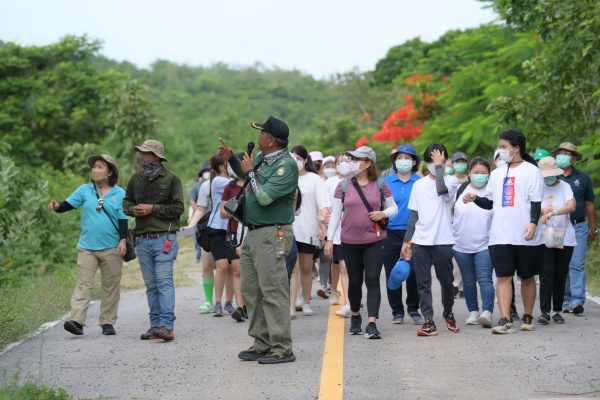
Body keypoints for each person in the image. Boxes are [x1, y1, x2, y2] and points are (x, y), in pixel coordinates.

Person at [218, 115, 298, 364]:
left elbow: (263, 197)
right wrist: (233, 159)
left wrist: (251, 171)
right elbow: (248, 177)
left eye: (262, 133)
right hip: (254, 232)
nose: (258, 136)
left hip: (273, 233)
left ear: (271, 140)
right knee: (251, 290)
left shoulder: (287, 165)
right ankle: (262, 343)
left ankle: (282, 347)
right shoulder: (263, 158)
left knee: (273, 291)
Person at [463, 129, 545, 334]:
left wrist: (533, 223)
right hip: (500, 235)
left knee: (527, 277)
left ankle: (527, 316)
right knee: (503, 277)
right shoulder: (496, 173)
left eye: (504, 147)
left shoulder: (531, 170)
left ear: (516, 148)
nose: (501, 151)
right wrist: (475, 198)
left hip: (526, 234)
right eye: (500, 147)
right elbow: (489, 202)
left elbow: (536, 201)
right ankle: (506, 319)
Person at [49, 154, 127, 336]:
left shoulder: (120, 193)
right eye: (94, 166)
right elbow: (67, 205)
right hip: (87, 247)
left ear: (110, 172)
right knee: (84, 284)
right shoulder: (85, 190)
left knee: (110, 286)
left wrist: (123, 240)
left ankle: (107, 322)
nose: (95, 169)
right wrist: (57, 206)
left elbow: (123, 219)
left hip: (111, 247)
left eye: (100, 166)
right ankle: (77, 321)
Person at [325, 146, 398, 340]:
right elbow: (335, 215)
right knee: (355, 281)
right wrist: (329, 239)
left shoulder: (380, 185)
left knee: (372, 279)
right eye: (352, 159)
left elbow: (394, 208)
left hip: (375, 240)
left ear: (368, 163)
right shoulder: (343, 186)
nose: (352, 163)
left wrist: (383, 213)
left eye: (357, 159)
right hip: (349, 241)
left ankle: (372, 323)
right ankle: (355, 315)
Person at [123, 139, 184, 341]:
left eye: (145, 153)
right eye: (141, 153)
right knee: (151, 285)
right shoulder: (136, 178)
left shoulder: (172, 179)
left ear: (156, 157)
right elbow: (126, 202)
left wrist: (153, 209)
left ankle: (167, 326)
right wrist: (133, 210)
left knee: (164, 282)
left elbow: (178, 208)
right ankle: (155, 325)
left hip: (164, 238)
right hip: (142, 240)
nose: (142, 156)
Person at [401, 144, 460, 337]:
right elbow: (414, 215)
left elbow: (441, 190)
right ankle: (428, 320)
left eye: (438, 160)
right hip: (421, 241)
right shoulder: (419, 185)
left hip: (443, 239)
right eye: (431, 161)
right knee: (423, 283)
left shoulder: (452, 181)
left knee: (447, 282)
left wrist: (440, 166)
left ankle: (448, 313)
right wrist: (407, 241)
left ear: (444, 161)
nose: (434, 164)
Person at [552, 142, 597, 314]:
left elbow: (589, 203)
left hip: (578, 226)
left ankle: (577, 300)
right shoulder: (552, 177)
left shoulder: (583, 178)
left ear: (573, 158)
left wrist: (594, 227)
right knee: (561, 264)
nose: (563, 156)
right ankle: (564, 299)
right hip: (558, 227)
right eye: (560, 153)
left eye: (567, 154)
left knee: (576, 264)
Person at [452, 157, 494, 327]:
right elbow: (450, 211)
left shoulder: (492, 190)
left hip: (485, 243)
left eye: (483, 172)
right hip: (460, 244)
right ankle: (473, 312)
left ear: (489, 174)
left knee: (484, 279)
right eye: (476, 172)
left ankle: (487, 312)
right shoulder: (460, 188)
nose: (479, 175)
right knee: (468, 281)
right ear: (469, 173)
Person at [383, 144, 423, 325]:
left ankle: (413, 308)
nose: (403, 161)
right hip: (390, 233)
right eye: (399, 158)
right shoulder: (386, 182)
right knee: (393, 272)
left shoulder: (420, 182)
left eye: (407, 158)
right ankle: (397, 311)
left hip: (414, 233)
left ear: (414, 162)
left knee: (413, 272)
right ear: (394, 161)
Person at [289, 146, 330, 318]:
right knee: (293, 268)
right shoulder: (286, 177)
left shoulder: (314, 179)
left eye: (299, 158)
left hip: (308, 229)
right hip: (289, 229)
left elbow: (323, 206)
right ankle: (292, 305)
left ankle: (306, 302)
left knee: (306, 267)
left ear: (305, 160)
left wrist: (325, 227)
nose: (296, 162)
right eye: (293, 158)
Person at [537, 156, 576, 325]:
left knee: (561, 273)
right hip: (543, 236)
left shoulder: (565, 186)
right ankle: (545, 311)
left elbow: (571, 206)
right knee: (546, 273)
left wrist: (554, 212)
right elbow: (528, 205)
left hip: (564, 236)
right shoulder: (536, 187)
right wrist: (541, 212)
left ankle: (557, 310)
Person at [324, 153, 352, 317]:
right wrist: (325, 228)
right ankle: (340, 295)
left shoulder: (356, 180)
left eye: (347, 161)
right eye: (340, 162)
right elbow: (327, 207)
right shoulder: (330, 182)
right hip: (337, 230)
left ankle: (353, 297)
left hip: (354, 229)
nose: (343, 164)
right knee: (340, 265)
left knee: (351, 266)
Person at [221, 152, 247, 322]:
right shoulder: (229, 187)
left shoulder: (254, 184)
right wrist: (238, 212)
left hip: (252, 232)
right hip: (234, 232)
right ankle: (240, 307)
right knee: (237, 270)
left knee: (250, 271)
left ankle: (250, 304)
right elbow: (223, 212)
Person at [188, 162, 210, 263]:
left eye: (208, 171)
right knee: (197, 235)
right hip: (200, 216)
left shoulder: (215, 184)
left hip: (211, 216)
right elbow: (192, 200)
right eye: (205, 171)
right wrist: (196, 212)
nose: (207, 173)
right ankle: (198, 255)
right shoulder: (196, 186)